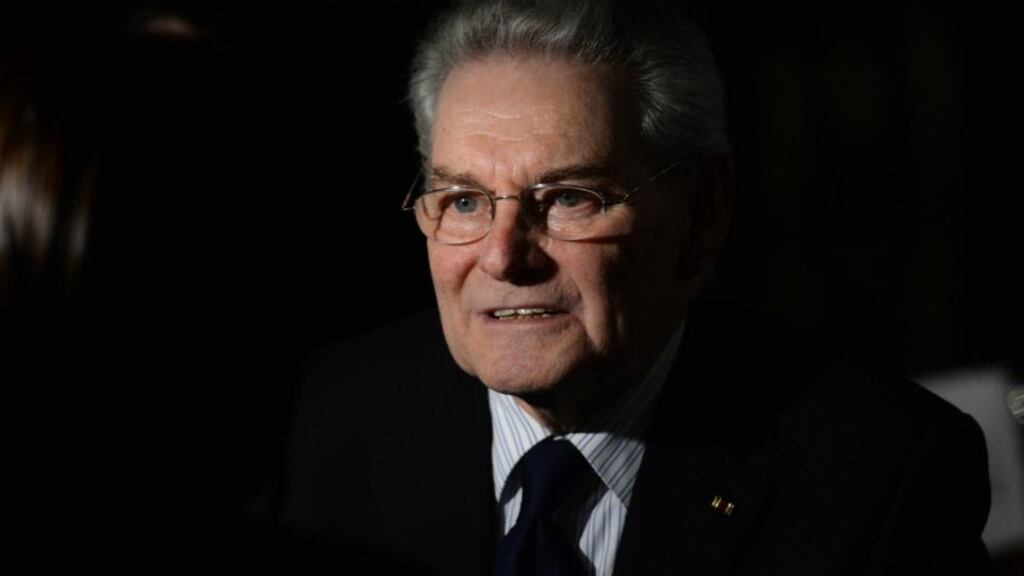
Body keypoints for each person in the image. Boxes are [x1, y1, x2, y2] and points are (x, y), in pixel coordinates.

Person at [271, 1, 993, 574]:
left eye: (568, 198)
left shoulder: (881, 477)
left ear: (703, 213)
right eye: (464, 201)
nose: (502, 256)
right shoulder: (336, 418)